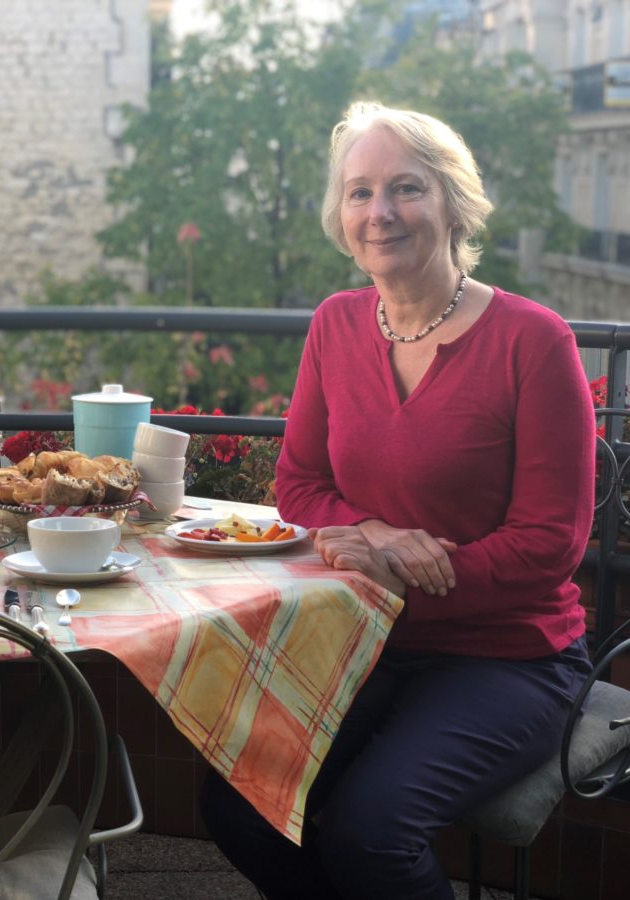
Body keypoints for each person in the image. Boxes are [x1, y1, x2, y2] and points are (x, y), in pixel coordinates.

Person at [200, 101, 595, 900]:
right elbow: (300, 484)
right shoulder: (336, 325)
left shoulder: (533, 339)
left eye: (406, 188)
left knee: (371, 831)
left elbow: (552, 540)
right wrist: (374, 534)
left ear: (451, 202)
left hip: (511, 658)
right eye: (359, 192)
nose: (380, 212)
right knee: (238, 803)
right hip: (361, 635)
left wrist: (411, 570)